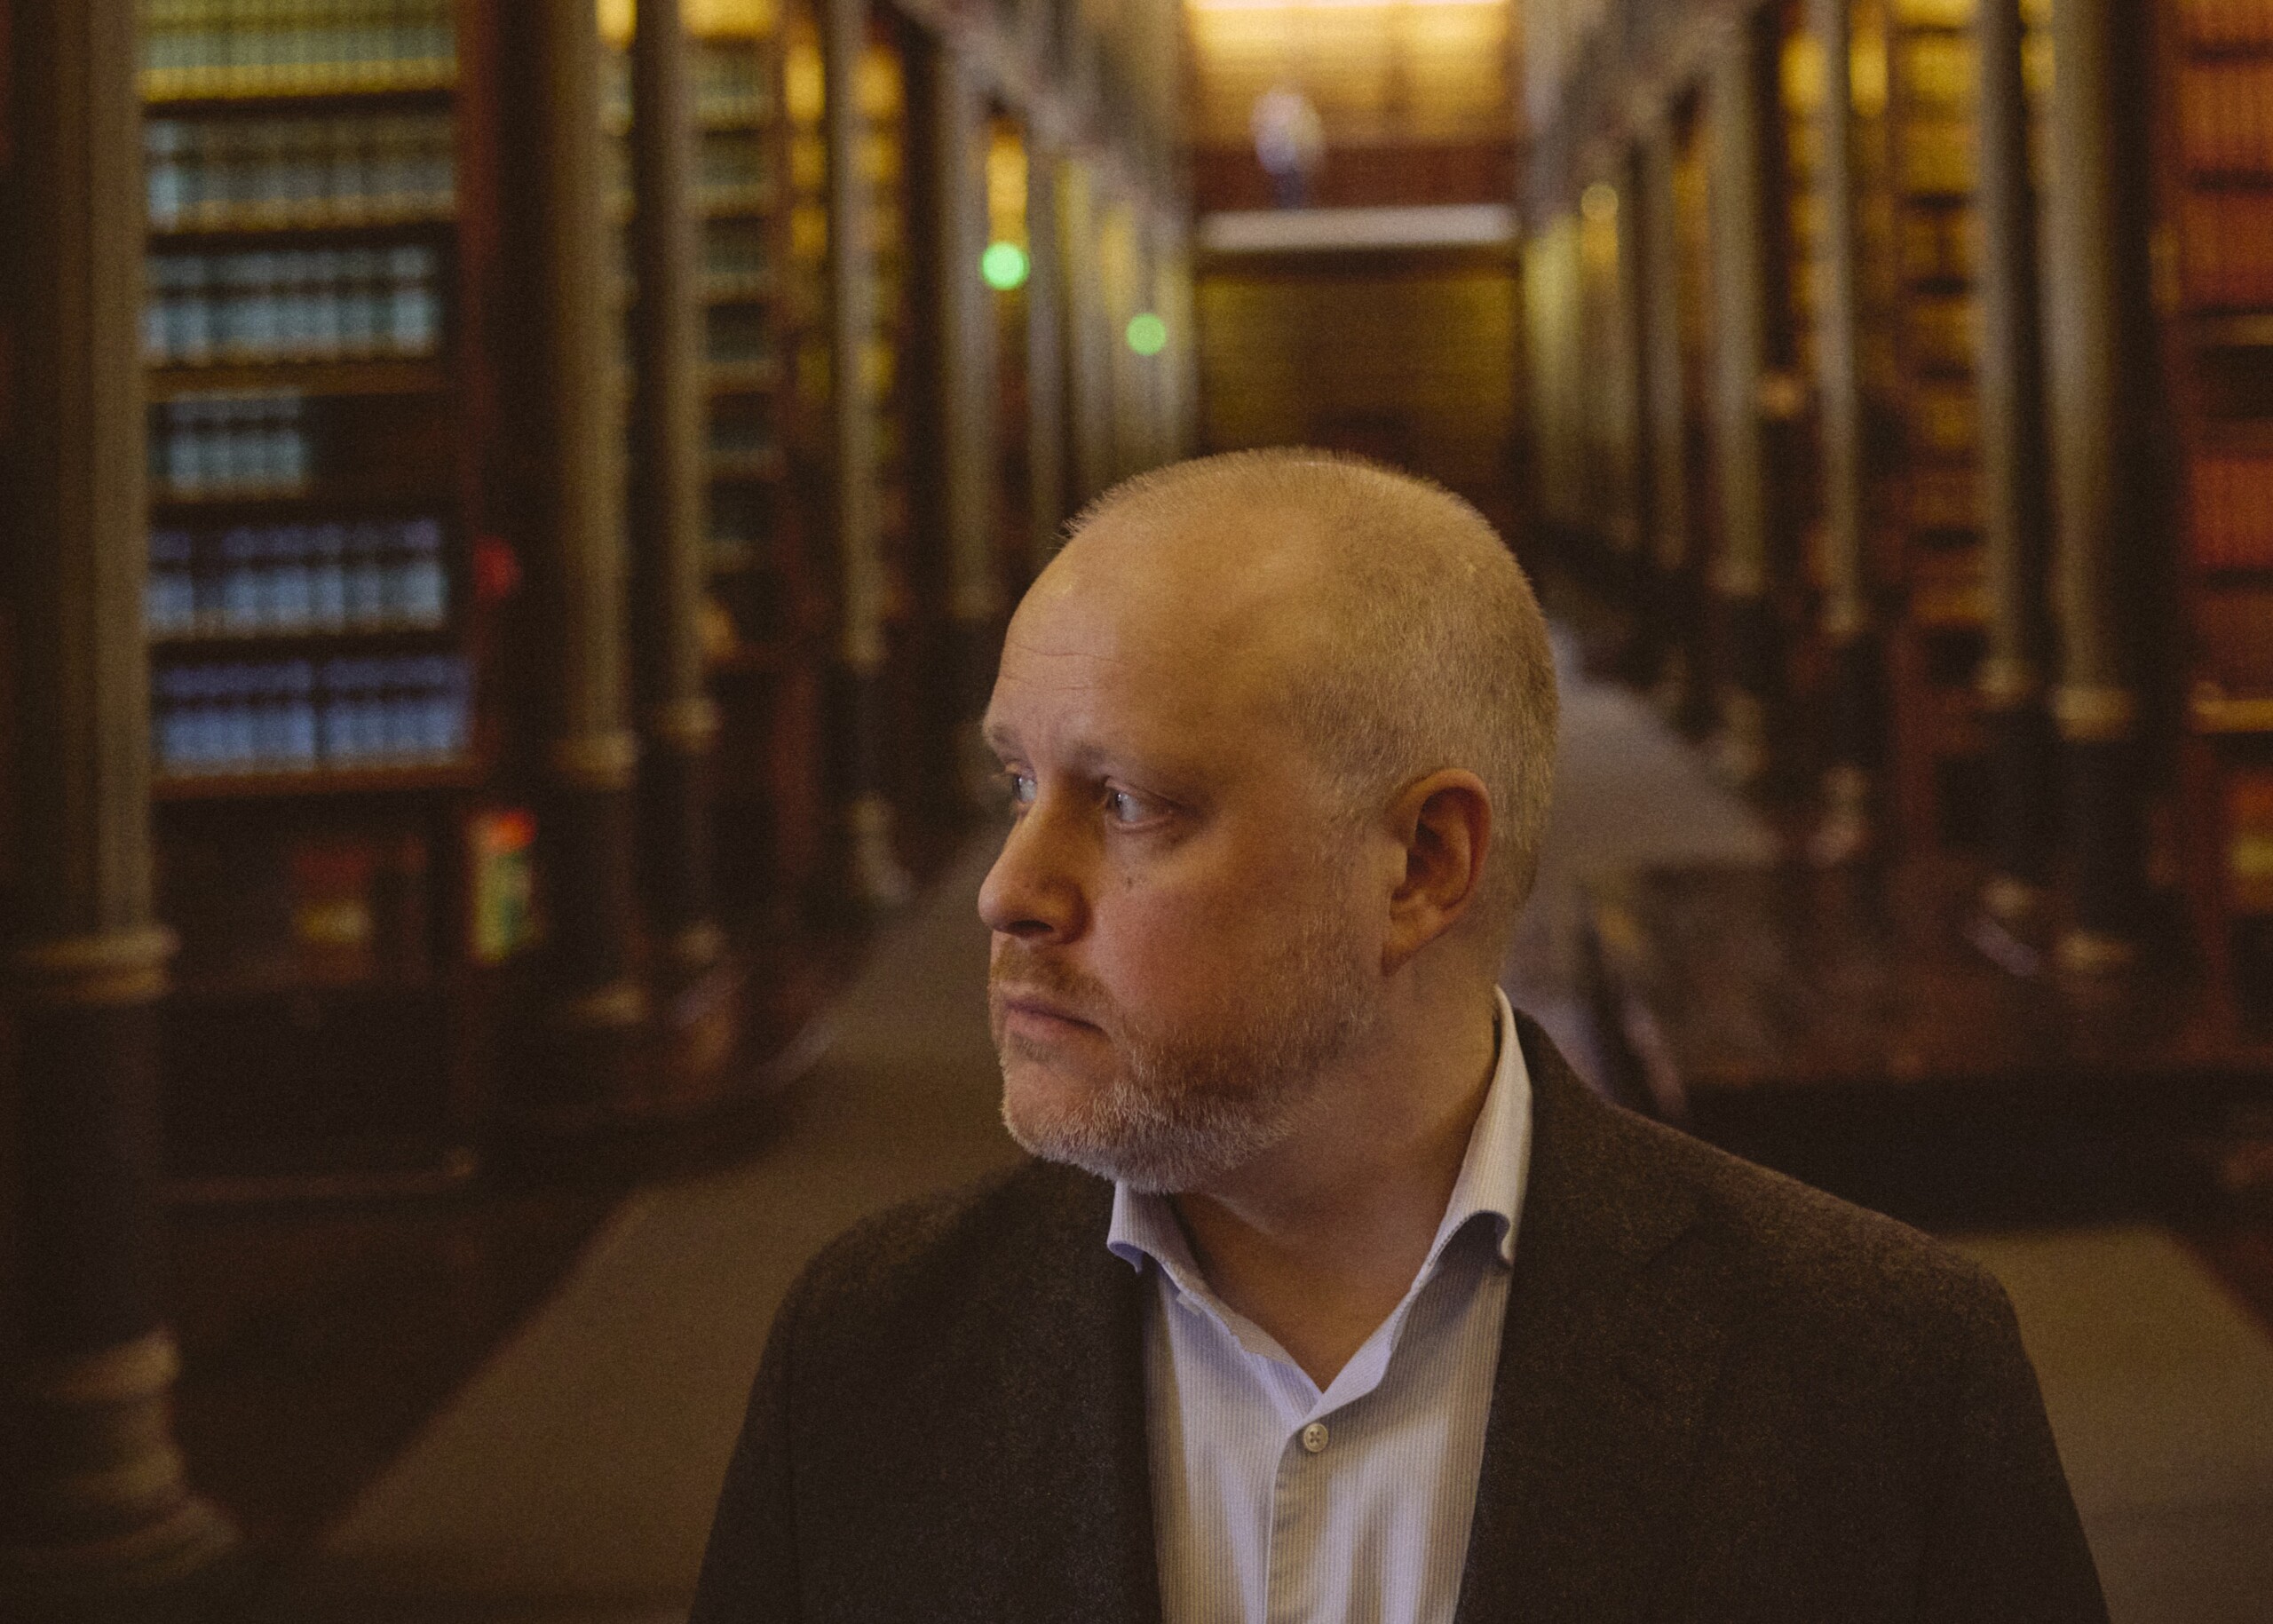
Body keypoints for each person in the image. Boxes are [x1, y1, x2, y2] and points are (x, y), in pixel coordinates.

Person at [689, 450, 2106, 1623]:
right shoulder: (866, 1354)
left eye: (1127, 802)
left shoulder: (1882, 1376)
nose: (1008, 889)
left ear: (1424, 861)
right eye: (1017, 780)